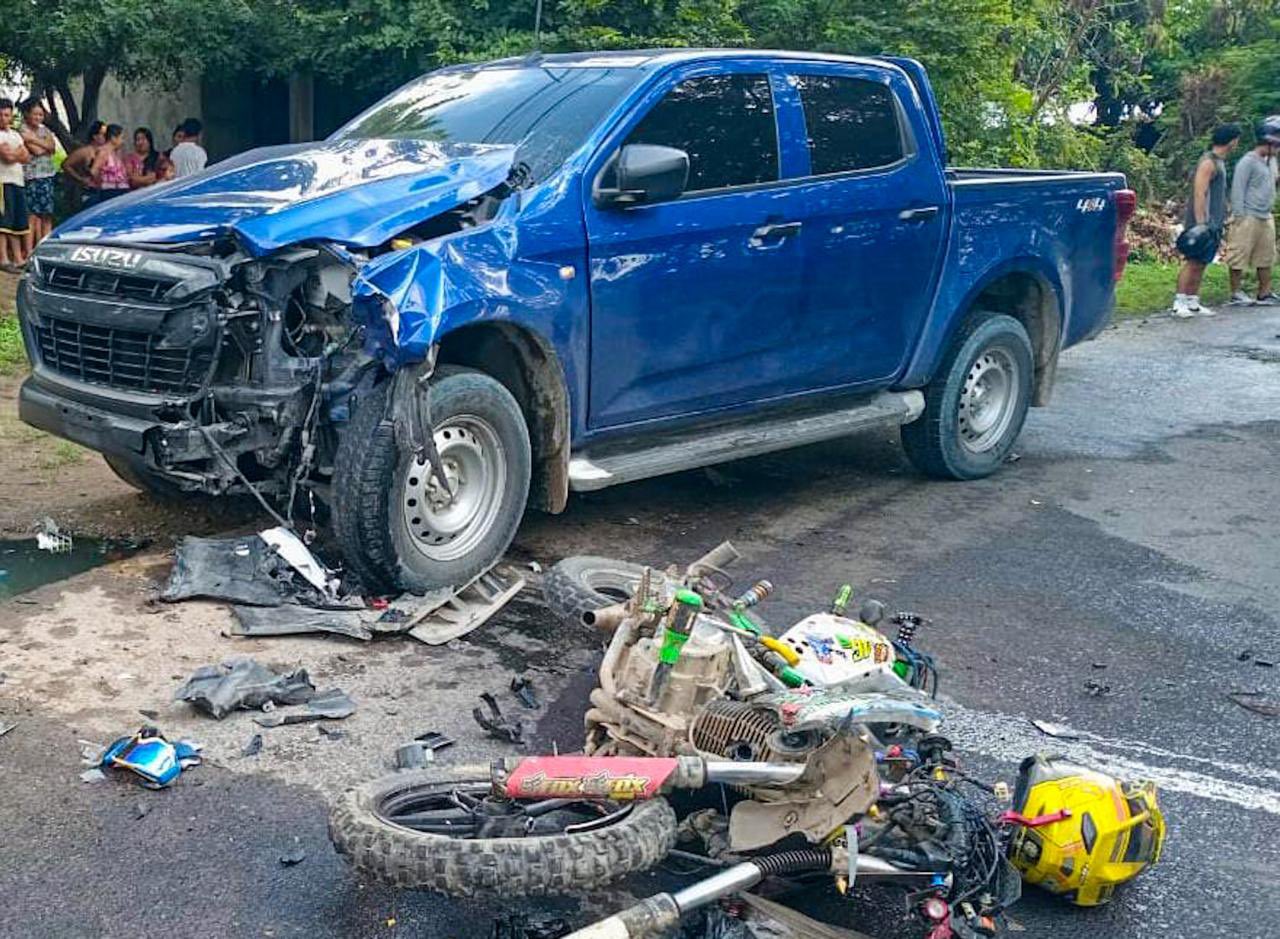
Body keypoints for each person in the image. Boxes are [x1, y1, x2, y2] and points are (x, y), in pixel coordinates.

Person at [1173, 123, 1240, 318]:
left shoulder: (1220, 162)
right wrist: (1201, 223)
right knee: (1193, 261)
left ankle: (1193, 300)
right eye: (1236, 139)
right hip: (1201, 222)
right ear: (1231, 140)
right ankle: (1180, 301)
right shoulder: (1208, 162)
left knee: (1203, 261)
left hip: (1215, 221)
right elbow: (1199, 192)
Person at [1224, 116, 1280, 306]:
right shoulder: (1247, 161)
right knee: (1238, 254)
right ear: (1269, 141)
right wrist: (1239, 217)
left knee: (1266, 256)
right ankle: (1236, 292)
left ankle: (1264, 292)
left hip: (1265, 215)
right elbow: (1237, 189)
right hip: (1247, 215)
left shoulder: (1271, 161)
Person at [19, 99, 57, 252]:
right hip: (32, 177)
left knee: (46, 214)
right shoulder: (22, 130)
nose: (38, 117)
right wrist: (43, 144)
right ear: (27, 114)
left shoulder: (44, 130)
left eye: (41, 114)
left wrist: (34, 140)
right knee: (33, 216)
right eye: (35, 114)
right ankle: (29, 250)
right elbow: (37, 151)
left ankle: (44, 248)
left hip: (46, 176)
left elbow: (52, 147)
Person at [0, 97, 31, 272]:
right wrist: (17, 153)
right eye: (2, 115)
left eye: (7, 115)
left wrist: (17, 153)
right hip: (3, 182)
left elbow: (26, 156)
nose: (5, 119)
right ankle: (3, 258)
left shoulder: (15, 135)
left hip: (18, 181)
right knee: (4, 223)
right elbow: (9, 157)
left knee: (19, 222)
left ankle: (19, 259)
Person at [62, 120, 107, 207]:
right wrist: (80, 179)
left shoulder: (106, 150)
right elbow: (66, 165)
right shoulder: (85, 151)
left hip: (105, 189)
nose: (106, 137)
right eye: (103, 134)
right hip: (90, 190)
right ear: (95, 136)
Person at [90, 124, 131, 201]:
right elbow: (94, 171)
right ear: (113, 138)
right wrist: (101, 183)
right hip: (110, 191)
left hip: (120, 189)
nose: (122, 141)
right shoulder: (103, 152)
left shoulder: (115, 153)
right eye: (121, 138)